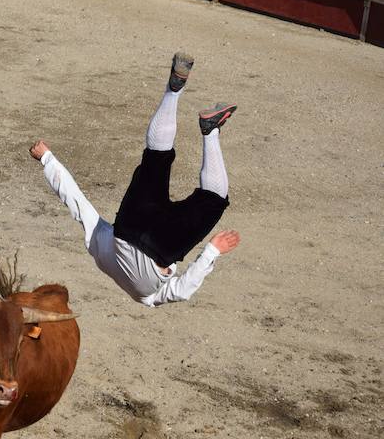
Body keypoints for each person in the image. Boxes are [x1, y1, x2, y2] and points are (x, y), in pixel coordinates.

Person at [30, 52, 240, 307]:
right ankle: (173, 92)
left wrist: (212, 250)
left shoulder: (149, 297)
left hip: (164, 246)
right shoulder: (101, 255)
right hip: (129, 224)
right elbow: (78, 204)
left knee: (214, 199)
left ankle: (210, 131)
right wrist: (47, 159)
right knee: (156, 156)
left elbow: (182, 291)